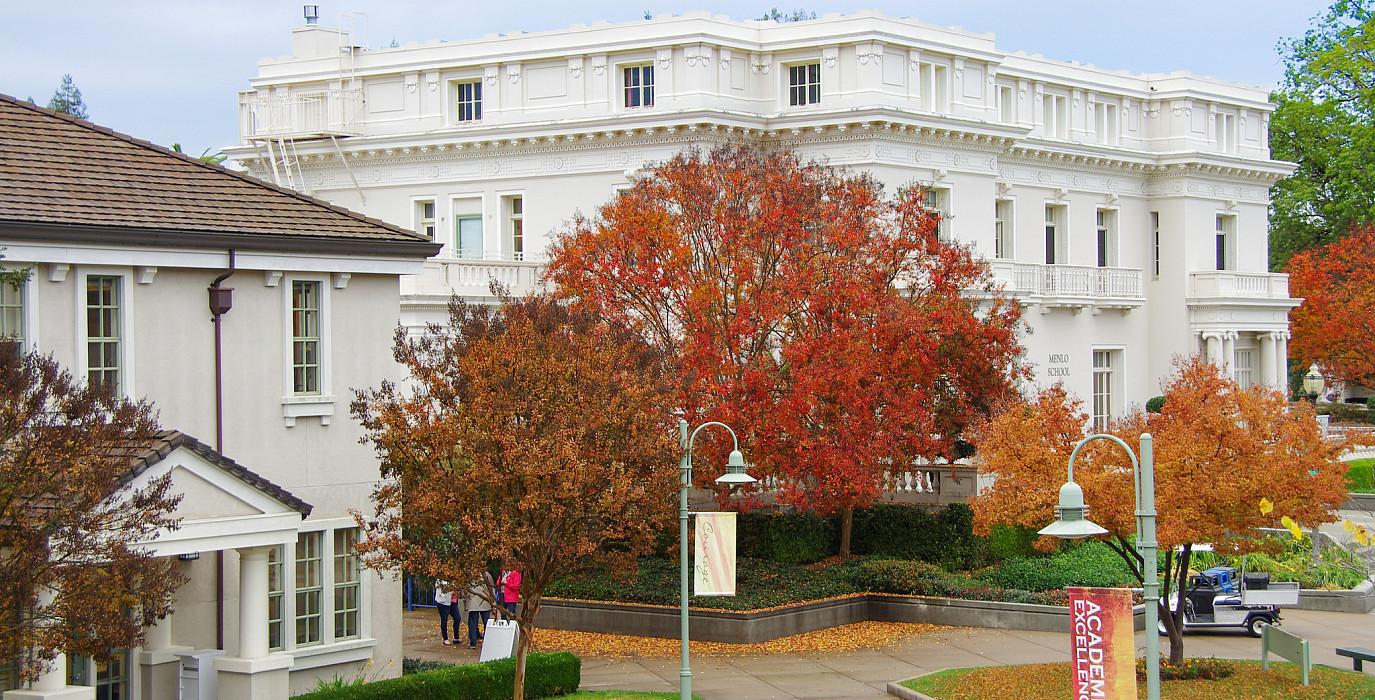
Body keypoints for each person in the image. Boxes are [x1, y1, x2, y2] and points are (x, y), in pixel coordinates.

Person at [464, 572, 495, 649]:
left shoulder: (469, 575)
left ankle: (472, 643)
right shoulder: (487, 575)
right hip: (485, 602)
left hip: (473, 603)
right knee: (486, 623)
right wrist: (493, 602)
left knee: (473, 623)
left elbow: (465, 588)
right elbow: (491, 588)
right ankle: (487, 642)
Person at [433, 579, 459, 646]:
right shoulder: (441, 579)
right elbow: (437, 586)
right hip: (443, 602)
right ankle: (445, 638)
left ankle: (456, 637)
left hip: (452, 601)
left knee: (457, 618)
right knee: (444, 620)